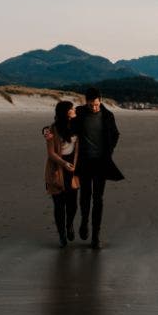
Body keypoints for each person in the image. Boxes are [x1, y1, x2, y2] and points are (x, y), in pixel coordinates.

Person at [72, 87, 124, 249]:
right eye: (91, 105)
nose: (94, 107)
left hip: (101, 162)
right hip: (84, 161)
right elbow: (60, 125)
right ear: (85, 101)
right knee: (85, 196)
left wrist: (109, 151)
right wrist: (46, 132)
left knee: (98, 199)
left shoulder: (108, 115)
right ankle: (84, 222)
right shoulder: (79, 113)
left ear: (100, 100)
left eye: (96, 104)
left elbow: (115, 134)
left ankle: (96, 236)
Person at [44, 101, 79, 248]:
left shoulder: (78, 125)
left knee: (72, 205)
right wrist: (64, 164)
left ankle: (69, 224)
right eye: (71, 109)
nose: (74, 110)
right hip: (56, 168)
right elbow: (51, 153)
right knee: (59, 205)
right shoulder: (52, 130)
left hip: (74, 168)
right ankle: (62, 235)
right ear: (65, 112)